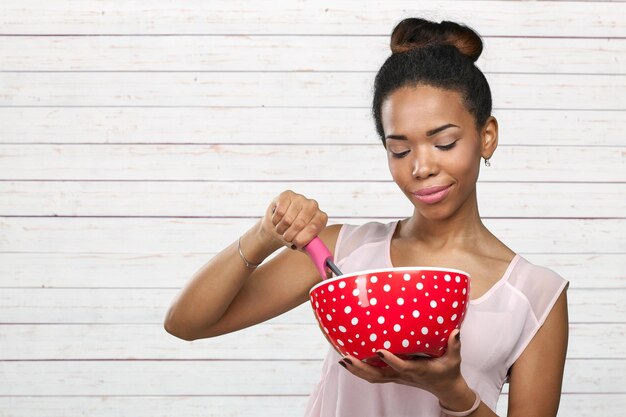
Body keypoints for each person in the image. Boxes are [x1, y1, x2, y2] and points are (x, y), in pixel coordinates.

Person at [164, 17, 569, 417]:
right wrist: (264, 235)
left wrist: (453, 393)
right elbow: (187, 324)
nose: (421, 167)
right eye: (399, 150)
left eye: (444, 142)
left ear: (487, 136)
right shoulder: (343, 253)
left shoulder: (535, 295)